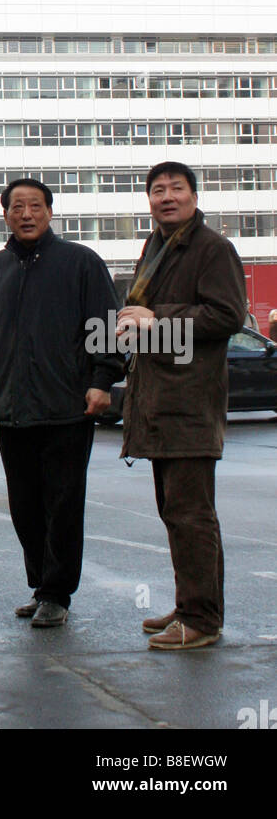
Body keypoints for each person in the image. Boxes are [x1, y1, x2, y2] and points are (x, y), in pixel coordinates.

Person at [0, 178, 122, 628]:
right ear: (5, 215)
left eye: (35, 206)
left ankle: (57, 593)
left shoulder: (81, 263)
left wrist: (102, 379)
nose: (26, 214)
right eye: (17, 207)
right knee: (25, 507)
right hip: (12, 412)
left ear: (50, 212)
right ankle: (40, 585)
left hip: (69, 408)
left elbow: (105, 325)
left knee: (64, 505)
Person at [117, 162, 247, 651]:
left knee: (192, 515)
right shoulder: (156, 246)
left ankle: (201, 619)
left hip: (190, 401)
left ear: (194, 195)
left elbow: (228, 315)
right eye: (157, 190)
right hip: (158, 397)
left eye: (176, 188)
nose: (166, 196)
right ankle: (190, 603)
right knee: (175, 512)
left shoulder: (212, 248)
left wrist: (156, 318)